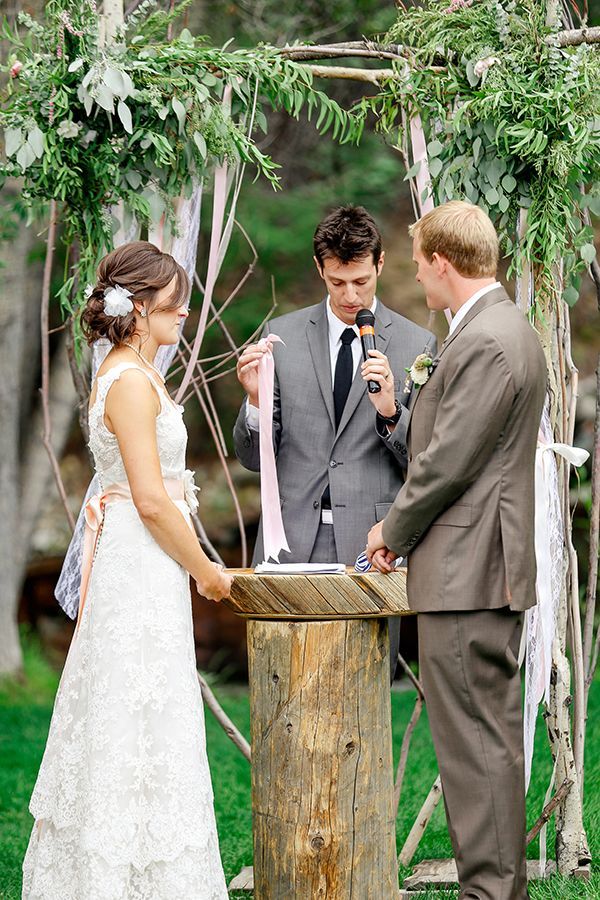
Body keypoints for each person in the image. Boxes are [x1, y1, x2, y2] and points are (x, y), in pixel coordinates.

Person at [22, 242, 232, 900]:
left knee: (147, 708)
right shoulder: (131, 382)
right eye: (175, 301)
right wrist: (206, 570)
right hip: (140, 562)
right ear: (139, 308)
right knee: (133, 707)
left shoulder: (133, 370)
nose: (185, 311)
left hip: (142, 561)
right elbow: (150, 500)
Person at [367, 201, 547, 900]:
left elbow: (448, 462)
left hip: (470, 571)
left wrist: (391, 531)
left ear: (442, 262)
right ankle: (498, 889)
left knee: (474, 748)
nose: (416, 275)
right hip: (476, 568)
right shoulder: (497, 330)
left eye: (418, 263)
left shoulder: (488, 341)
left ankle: (489, 892)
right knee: (484, 743)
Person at [233, 205, 436, 676]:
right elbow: (252, 459)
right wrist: (256, 402)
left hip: (370, 546)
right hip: (288, 542)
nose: (350, 295)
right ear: (319, 269)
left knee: (363, 686)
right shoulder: (280, 335)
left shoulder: (417, 345)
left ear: (380, 263)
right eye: (337, 282)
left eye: (361, 281)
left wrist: (391, 411)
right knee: (282, 681)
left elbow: (426, 460)